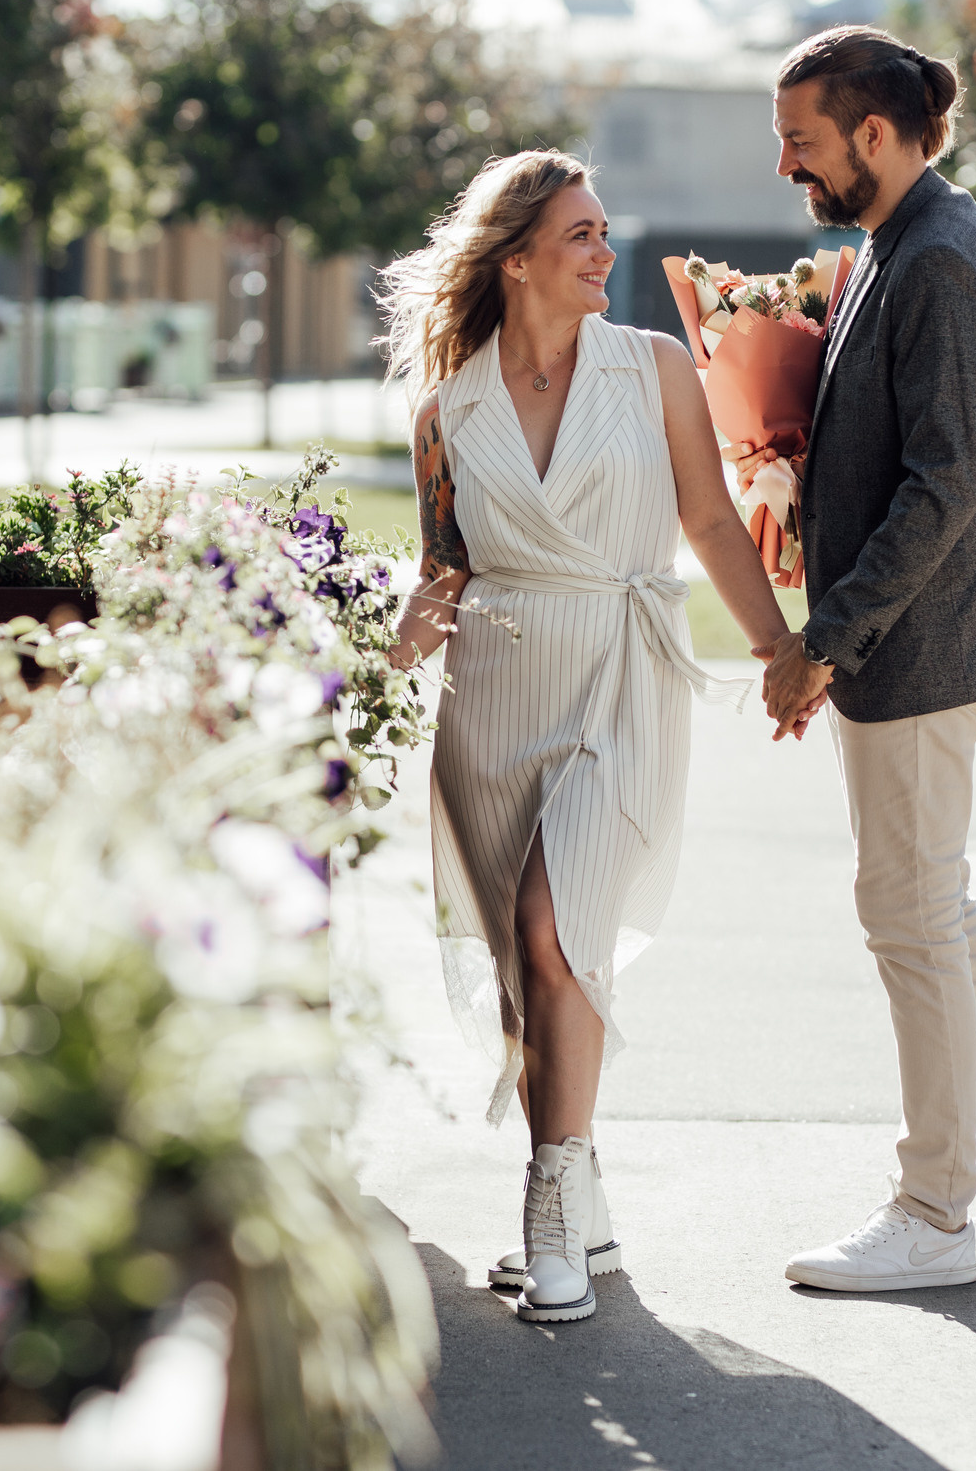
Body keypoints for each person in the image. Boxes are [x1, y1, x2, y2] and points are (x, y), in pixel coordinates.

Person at [382, 149, 796, 1324]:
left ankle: (548, 1202)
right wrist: (386, 655)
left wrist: (778, 652)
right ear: (514, 259)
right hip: (496, 695)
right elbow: (442, 574)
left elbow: (711, 521)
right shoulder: (443, 412)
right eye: (580, 235)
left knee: (552, 931)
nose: (605, 252)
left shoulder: (656, 366)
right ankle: (584, 1188)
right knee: (532, 974)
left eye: (603, 230)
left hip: (622, 673)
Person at [751, 26, 976, 1292]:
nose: (790, 169)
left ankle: (932, 1209)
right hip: (914, 634)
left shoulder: (943, 257)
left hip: (917, 638)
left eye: (802, 143)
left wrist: (827, 639)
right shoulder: (895, 245)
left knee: (905, 915)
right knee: (936, 906)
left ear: (871, 132)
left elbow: (945, 484)